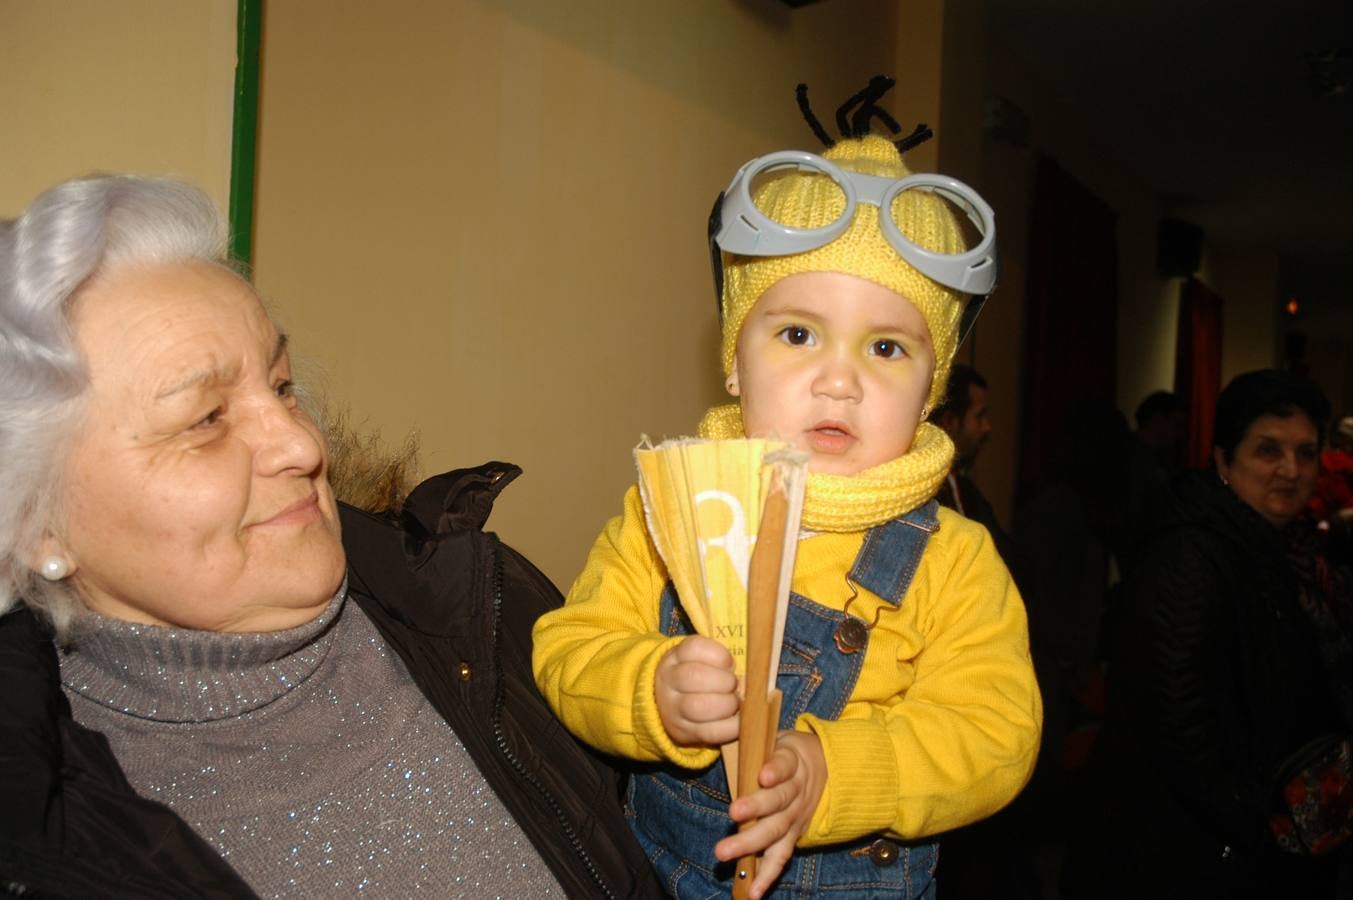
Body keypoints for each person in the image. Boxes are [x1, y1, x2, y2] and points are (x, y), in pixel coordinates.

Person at [0, 175, 662, 898]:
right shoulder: (40, 840)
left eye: (281, 386)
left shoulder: (480, 608)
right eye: (206, 420)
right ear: (37, 523)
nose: (298, 444)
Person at [533, 79, 1041, 900]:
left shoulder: (955, 559)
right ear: (734, 359)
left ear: (932, 388)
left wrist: (836, 772)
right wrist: (646, 689)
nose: (838, 380)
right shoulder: (665, 510)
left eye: (885, 349)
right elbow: (565, 652)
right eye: (798, 334)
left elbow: (994, 736)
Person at [1066, 369, 1352, 899]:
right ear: (1224, 461)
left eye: (1305, 453)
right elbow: (1177, 720)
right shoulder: (1191, 555)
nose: (1290, 470)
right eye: (1268, 451)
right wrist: (1262, 822)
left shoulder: (1281, 550)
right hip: (1183, 852)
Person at [932, 364, 1014, 563]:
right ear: (949, 421)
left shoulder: (967, 491)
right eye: (979, 416)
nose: (987, 427)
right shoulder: (923, 497)